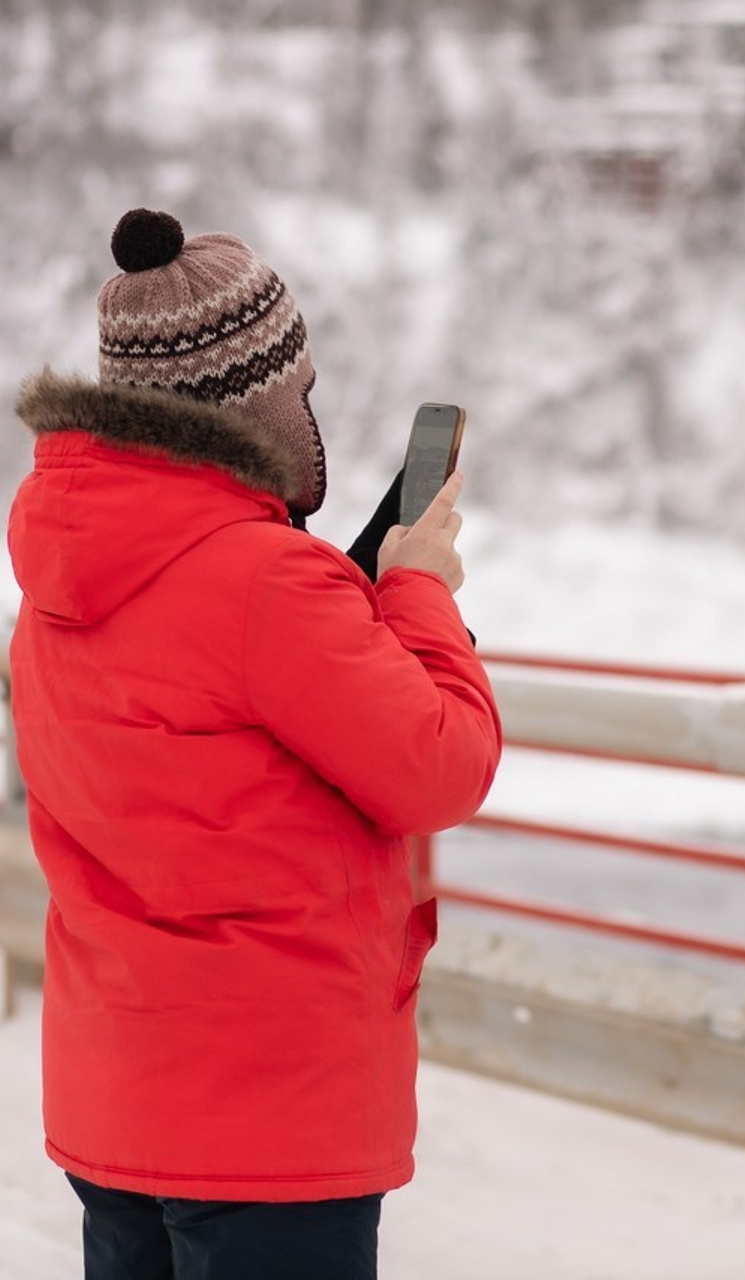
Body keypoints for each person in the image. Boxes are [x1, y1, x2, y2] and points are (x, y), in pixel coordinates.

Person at [6, 208, 503, 1280]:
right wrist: (416, 588)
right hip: (268, 1117)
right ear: (256, 405)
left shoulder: (54, 584)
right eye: (302, 389)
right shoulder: (268, 583)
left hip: (115, 1091)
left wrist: (349, 606)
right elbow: (441, 764)